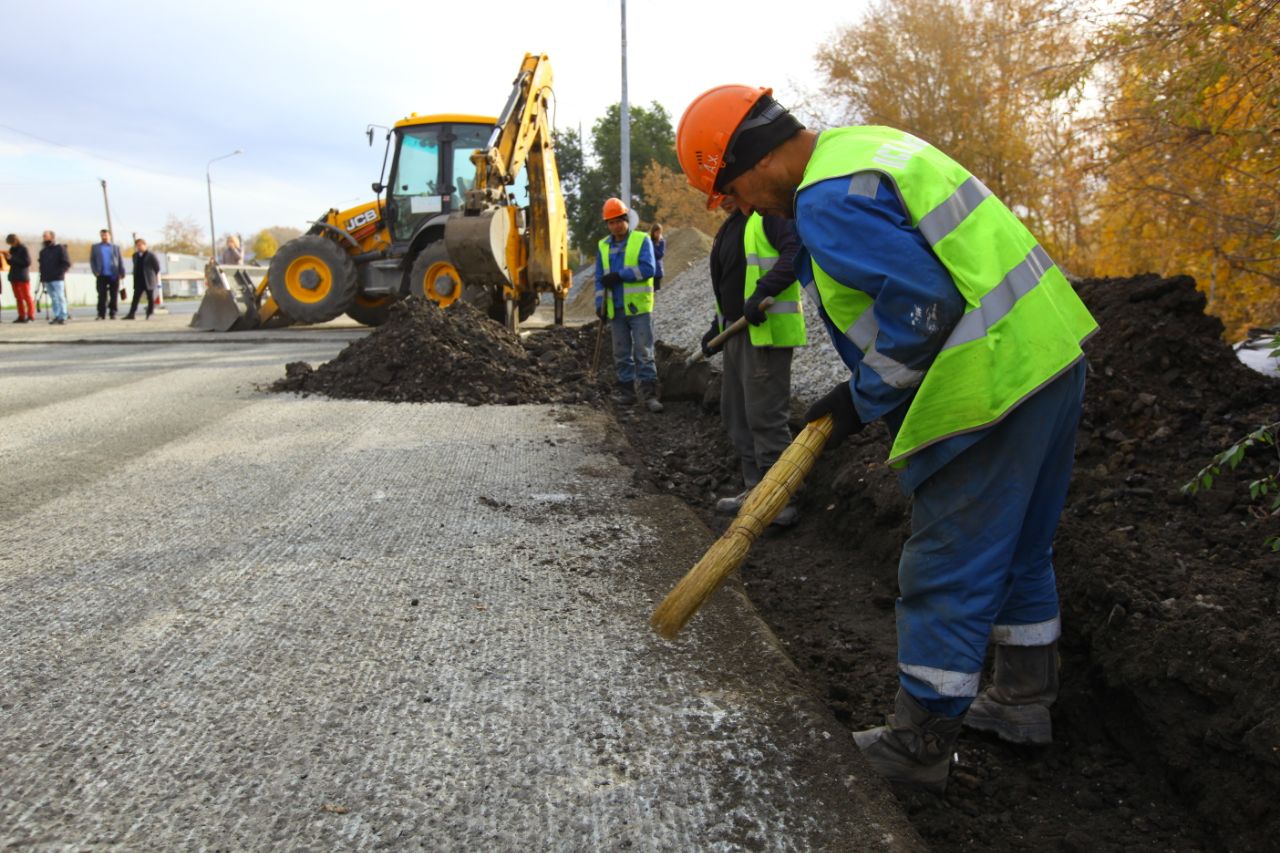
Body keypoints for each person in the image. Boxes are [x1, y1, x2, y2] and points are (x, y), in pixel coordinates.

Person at [677, 86, 1098, 792]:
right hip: (1048, 353)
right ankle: (1023, 701)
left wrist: (859, 398)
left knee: (945, 566)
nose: (744, 208)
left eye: (732, 191)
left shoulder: (826, 198)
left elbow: (924, 306)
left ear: (751, 158)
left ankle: (919, 742)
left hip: (986, 384)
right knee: (1023, 549)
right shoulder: (865, 149)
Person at [700, 196, 806, 527]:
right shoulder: (731, 227)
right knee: (736, 414)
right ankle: (755, 488)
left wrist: (762, 291)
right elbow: (731, 283)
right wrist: (715, 327)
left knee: (765, 417)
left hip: (766, 333)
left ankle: (781, 499)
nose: (723, 199)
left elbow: (796, 254)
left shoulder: (769, 215)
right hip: (736, 332)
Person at [595, 197, 661, 412]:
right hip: (616, 309)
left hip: (639, 308)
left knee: (643, 352)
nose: (615, 226)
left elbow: (648, 269)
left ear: (626, 220)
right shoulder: (603, 246)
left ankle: (649, 395)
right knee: (621, 353)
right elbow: (599, 279)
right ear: (607, 224)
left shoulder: (642, 240)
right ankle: (627, 393)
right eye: (611, 222)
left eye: (618, 221)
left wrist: (620, 276)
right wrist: (599, 304)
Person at [90, 229, 126, 319]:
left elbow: (120, 260)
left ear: (109, 236)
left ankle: (113, 312)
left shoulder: (115, 247)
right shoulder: (95, 247)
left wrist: (122, 272)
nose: (104, 237)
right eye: (102, 235)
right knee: (101, 295)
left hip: (114, 274)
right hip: (101, 274)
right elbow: (92, 260)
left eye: (106, 235)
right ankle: (101, 313)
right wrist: (95, 271)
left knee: (114, 294)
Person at [38, 230, 71, 325]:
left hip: (57, 278)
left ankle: (63, 316)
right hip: (47, 278)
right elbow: (42, 265)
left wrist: (60, 272)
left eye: (45, 236)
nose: (44, 237)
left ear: (51, 237)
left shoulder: (60, 248)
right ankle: (57, 315)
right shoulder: (43, 251)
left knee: (60, 297)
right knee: (54, 298)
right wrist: (42, 277)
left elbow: (66, 262)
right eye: (43, 236)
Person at [123, 238, 161, 319]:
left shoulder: (151, 255)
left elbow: (157, 267)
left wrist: (154, 277)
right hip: (138, 280)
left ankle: (149, 313)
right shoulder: (135, 255)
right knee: (135, 298)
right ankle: (131, 314)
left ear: (144, 245)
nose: (139, 247)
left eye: (140, 245)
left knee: (150, 298)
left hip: (148, 280)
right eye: (137, 246)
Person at [4, 234, 35, 323]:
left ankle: (30, 315)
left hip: (22, 276)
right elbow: (11, 263)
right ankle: (21, 316)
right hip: (14, 276)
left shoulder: (23, 249)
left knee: (26, 297)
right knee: (18, 298)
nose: (11, 245)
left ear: (15, 241)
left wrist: (13, 258)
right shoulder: (12, 249)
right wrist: (8, 258)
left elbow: (27, 262)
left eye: (11, 243)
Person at [650, 223, 666, 291]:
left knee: (657, 290)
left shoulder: (662, 242)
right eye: (657, 232)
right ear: (653, 232)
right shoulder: (649, 241)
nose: (658, 234)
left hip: (658, 271)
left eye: (659, 232)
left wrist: (652, 246)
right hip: (649, 270)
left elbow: (660, 255)